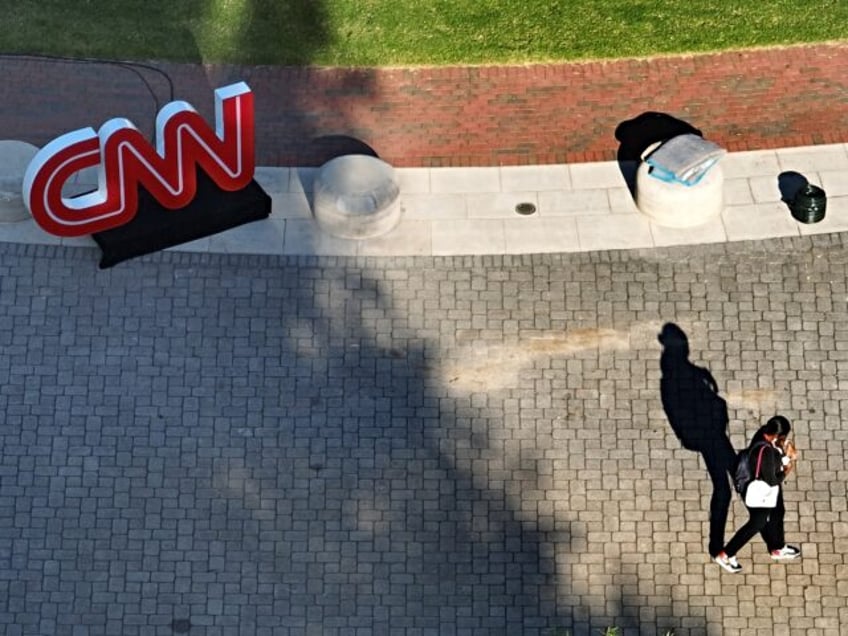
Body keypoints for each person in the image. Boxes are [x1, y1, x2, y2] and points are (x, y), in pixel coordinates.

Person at [714, 415, 801, 573]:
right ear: (776, 435)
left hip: (762, 480)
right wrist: (788, 465)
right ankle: (726, 554)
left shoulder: (763, 434)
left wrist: (783, 451)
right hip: (758, 490)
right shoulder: (767, 452)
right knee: (757, 523)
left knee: (778, 511)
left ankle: (777, 547)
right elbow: (773, 480)